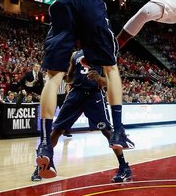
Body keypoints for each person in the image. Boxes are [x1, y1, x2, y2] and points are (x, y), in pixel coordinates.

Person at [0, 0, 132, 180]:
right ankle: (118, 129)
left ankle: (46, 144)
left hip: (64, 5)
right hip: (89, 3)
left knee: (53, 76)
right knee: (111, 67)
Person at [32, 50, 133, 182]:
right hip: (75, 94)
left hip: (94, 95)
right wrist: (61, 75)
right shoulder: (75, 54)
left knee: (108, 132)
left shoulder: (101, 52)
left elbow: (109, 82)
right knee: (56, 131)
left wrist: (99, 78)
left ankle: (124, 167)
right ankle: (42, 166)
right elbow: (70, 78)